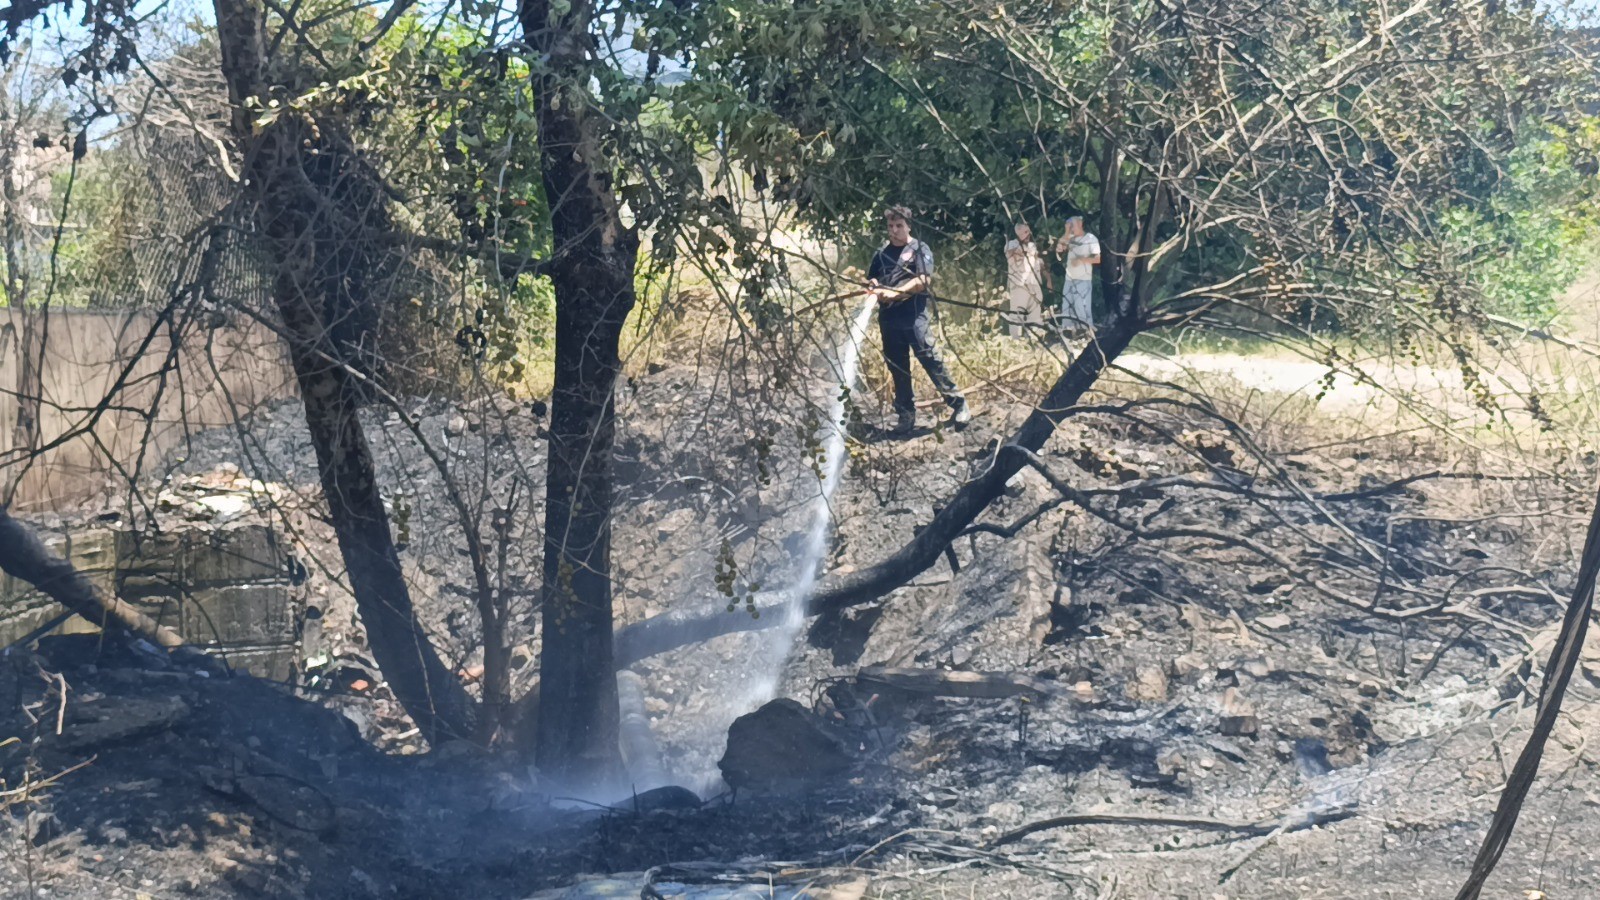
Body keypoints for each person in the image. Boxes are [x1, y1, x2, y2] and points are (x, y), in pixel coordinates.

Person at [867, 205, 970, 434]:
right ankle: (906, 415)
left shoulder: (919, 249)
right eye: (891, 226)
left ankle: (958, 404)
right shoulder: (881, 253)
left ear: (908, 226)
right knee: (898, 368)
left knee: (930, 359)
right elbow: (872, 278)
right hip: (888, 320)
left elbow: (923, 280)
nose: (894, 230)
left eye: (899, 226)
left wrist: (896, 292)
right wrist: (874, 287)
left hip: (914, 317)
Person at [1054, 215, 1101, 335]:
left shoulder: (1090, 238)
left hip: (1083, 278)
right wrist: (1066, 232)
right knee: (1066, 304)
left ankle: (1085, 330)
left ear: (1080, 224)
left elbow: (1097, 258)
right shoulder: (1069, 239)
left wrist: (1081, 260)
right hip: (1069, 278)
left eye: (1072, 225)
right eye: (1069, 226)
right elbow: (1059, 249)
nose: (1071, 228)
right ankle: (1067, 330)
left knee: (1081, 304)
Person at [1003, 222, 1050, 338]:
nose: (1028, 234)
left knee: (1035, 311)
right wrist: (1021, 249)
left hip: (1033, 282)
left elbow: (1038, 262)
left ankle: (1033, 337)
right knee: (1017, 312)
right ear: (1018, 233)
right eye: (1025, 232)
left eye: (1028, 231)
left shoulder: (1032, 246)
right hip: (1019, 284)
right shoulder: (1011, 244)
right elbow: (1009, 254)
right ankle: (1015, 340)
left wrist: (1048, 279)